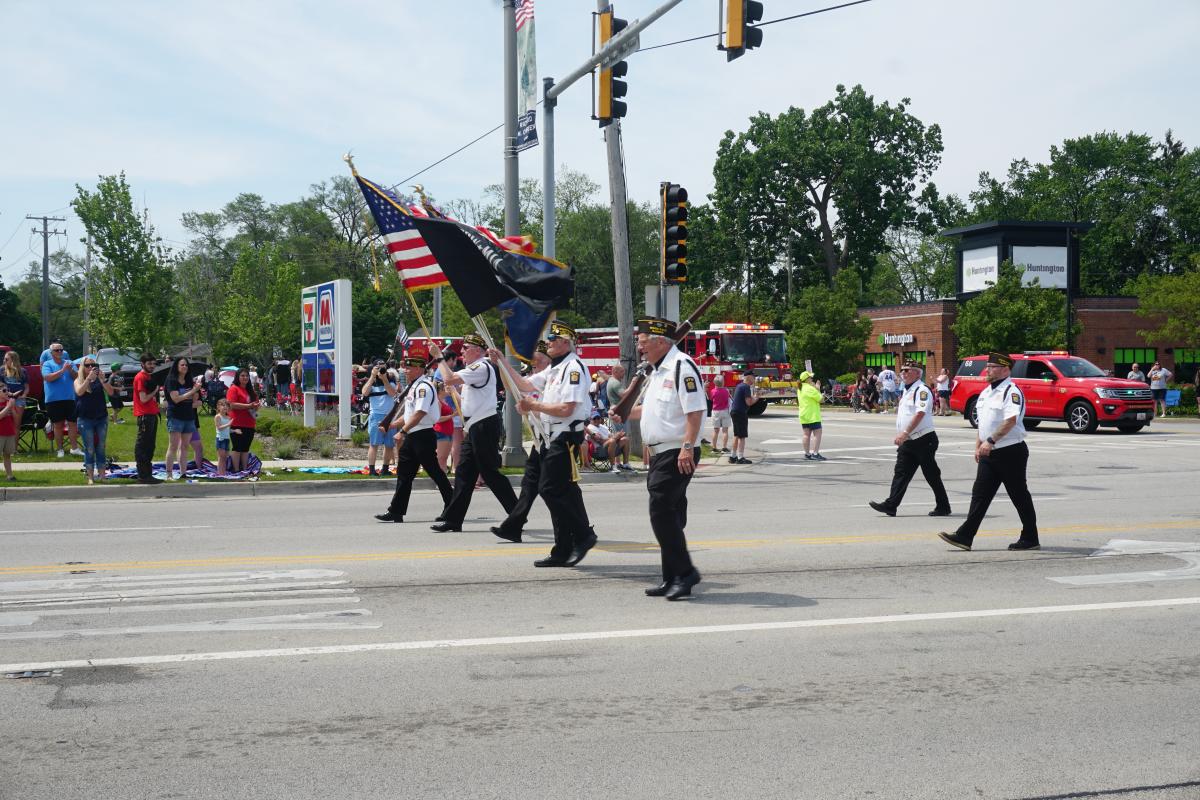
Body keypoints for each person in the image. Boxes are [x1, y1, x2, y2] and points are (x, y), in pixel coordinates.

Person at [610, 316, 705, 600]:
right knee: (670, 515)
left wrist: (687, 447)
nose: (639, 348)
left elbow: (695, 411)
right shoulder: (657, 371)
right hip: (660, 453)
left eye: (643, 343)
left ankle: (685, 573)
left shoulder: (682, 367)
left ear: (661, 342)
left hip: (676, 451)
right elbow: (653, 410)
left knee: (661, 512)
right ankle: (671, 577)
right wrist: (625, 413)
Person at [500, 320, 599, 567]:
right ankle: (562, 550)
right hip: (549, 437)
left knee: (550, 489)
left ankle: (583, 535)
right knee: (562, 491)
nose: (548, 344)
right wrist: (502, 361)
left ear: (566, 342)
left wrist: (534, 405)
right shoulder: (555, 368)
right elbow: (524, 384)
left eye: (553, 340)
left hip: (565, 437)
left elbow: (567, 409)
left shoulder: (573, 368)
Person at [938, 352, 1039, 552]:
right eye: (988, 366)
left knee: (1019, 495)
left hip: (1010, 451)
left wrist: (991, 441)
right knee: (980, 495)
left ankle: (1030, 537)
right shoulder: (986, 392)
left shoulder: (1011, 391)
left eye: (992, 367)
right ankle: (965, 536)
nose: (987, 370)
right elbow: (984, 423)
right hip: (989, 452)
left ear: (1005, 369)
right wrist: (979, 445)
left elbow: (1010, 420)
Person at [427, 334, 517, 532]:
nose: (462, 351)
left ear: (478, 350)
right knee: (464, 473)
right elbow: (466, 403)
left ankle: (517, 515)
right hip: (474, 426)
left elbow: (449, 377)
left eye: (466, 348)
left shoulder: (481, 367)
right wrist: (453, 392)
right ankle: (453, 520)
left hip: (484, 426)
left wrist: (439, 358)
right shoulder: (473, 369)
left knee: (490, 473)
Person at [489, 341, 554, 543]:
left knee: (557, 489)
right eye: (533, 362)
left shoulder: (554, 379)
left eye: (538, 361)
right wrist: (501, 365)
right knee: (529, 484)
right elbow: (511, 384)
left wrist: (532, 408)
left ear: (549, 360)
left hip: (554, 439)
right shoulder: (537, 379)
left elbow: (556, 410)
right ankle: (513, 527)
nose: (534, 365)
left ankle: (580, 529)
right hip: (540, 440)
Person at [375, 357, 454, 523]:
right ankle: (396, 511)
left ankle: (453, 506)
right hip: (413, 435)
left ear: (418, 369)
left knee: (434, 472)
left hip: (423, 435)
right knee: (404, 474)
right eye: (405, 367)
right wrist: (392, 425)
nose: (405, 370)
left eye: (409, 368)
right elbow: (409, 413)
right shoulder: (414, 386)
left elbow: (420, 413)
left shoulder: (424, 387)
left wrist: (402, 431)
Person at [869, 361, 950, 518]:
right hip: (909, 441)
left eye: (908, 370)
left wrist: (905, 433)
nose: (903, 373)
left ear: (918, 373)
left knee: (931, 474)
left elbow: (920, 413)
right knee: (901, 473)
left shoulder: (922, 390)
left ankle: (943, 506)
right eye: (902, 370)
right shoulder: (907, 390)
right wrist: (905, 435)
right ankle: (891, 505)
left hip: (923, 439)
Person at [73, 356, 116, 485]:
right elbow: (79, 392)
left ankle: (102, 476)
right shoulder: (78, 380)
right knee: (89, 448)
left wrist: (103, 380)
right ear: (83, 367)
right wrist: (88, 379)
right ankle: (90, 477)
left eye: (94, 365)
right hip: (85, 419)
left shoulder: (99, 379)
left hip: (101, 417)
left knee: (101, 447)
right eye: (88, 365)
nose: (91, 367)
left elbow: (111, 392)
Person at [163, 357, 202, 481]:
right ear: (177, 366)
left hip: (189, 417)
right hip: (175, 416)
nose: (185, 367)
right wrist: (192, 391)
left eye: (186, 365)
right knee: (173, 446)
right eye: (182, 365)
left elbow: (195, 400)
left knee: (185, 446)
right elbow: (176, 399)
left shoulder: (189, 381)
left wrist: (196, 390)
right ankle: (169, 474)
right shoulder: (171, 380)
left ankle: (183, 473)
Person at [41, 343, 82, 457]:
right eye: (56, 350)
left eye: (61, 350)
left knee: (73, 424)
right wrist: (63, 370)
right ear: (51, 353)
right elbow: (48, 378)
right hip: (53, 400)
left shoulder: (70, 363)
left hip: (70, 398)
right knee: (58, 425)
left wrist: (70, 370)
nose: (59, 352)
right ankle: (60, 450)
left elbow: (77, 377)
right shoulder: (47, 364)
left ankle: (74, 448)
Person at [362, 359, 398, 476]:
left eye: (383, 368)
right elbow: (365, 392)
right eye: (379, 368)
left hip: (390, 416)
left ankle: (385, 469)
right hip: (376, 415)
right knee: (374, 444)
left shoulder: (391, 380)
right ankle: (372, 470)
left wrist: (385, 379)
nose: (382, 370)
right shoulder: (371, 382)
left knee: (389, 445)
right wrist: (372, 376)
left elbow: (392, 393)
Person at [132, 353, 162, 484]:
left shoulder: (149, 377)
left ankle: (148, 474)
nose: (152, 366)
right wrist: (155, 391)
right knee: (143, 446)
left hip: (152, 414)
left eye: (154, 364)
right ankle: (143, 475)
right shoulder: (141, 377)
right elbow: (143, 399)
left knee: (150, 446)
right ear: (142, 364)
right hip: (145, 415)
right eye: (149, 363)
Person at [226, 368, 261, 474]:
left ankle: (245, 470)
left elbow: (256, 405)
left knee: (245, 448)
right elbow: (231, 405)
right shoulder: (233, 389)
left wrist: (256, 406)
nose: (245, 378)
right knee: (237, 448)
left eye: (246, 376)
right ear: (237, 377)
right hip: (236, 423)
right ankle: (236, 470)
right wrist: (248, 406)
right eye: (242, 375)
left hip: (249, 423)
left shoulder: (251, 391)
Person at [728, 369, 761, 464]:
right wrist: (756, 397)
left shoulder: (739, 386)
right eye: (753, 377)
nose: (754, 379)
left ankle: (733, 456)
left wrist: (753, 396)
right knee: (742, 436)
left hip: (734, 411)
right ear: (749, 377)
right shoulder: (746, 387)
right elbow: (749, 402)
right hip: (740, 413)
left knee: (736, 435)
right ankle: (740, 457)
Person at [604, 365, 633, 470]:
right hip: (619, 412)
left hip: (616, 411)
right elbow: (624, 394)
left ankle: (618, 462)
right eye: (621, 372)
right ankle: (623, 463)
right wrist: (633, 384)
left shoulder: (611, 381)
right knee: (622, 436)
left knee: (618, 436)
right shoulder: (615, 383)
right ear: (615, 371)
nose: (623, 374)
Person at [795, 371, 825, 461]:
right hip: (813, 415)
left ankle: (807, 454)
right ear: (807, 379)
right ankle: (815, 453)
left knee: (806, 435)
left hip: (803, 414)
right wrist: (818, 388)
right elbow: (821, 400)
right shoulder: (810, 388)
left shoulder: (800, 388)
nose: (812, 379)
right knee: (817, 433)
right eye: (810, 378)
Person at [2, 351, 28, 435]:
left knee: (16, 425)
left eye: (6, 359)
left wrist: (24, 395)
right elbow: (1, 386)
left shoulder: (22, 371)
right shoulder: (2, 370)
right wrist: (8, 394)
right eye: (4, 359)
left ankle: (14, 444)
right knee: (4, 424)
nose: (4, 361)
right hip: (5, 399)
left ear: (13, 360)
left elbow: (26, 387)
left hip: (19, 400)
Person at [708, 377, 732, 453]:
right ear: (723, 383)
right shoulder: (726, 391)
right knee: (725, 431)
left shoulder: (713, 391)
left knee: (716, 430)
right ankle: (724, 448)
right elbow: (729, 398)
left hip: (715, 411)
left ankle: (714, 448)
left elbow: (711, 399)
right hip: (725, 411)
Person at [213, 398, 233, 477]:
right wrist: (228, 424)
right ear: (218, 407)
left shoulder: (228, 417)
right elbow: (219, 428)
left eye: (227, 406)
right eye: (223, 405)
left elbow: (228, 429)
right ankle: (220, 473)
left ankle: (223, 473)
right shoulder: (218, 417)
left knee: (225, 457)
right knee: (221, 457)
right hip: (220, 439)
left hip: (227, 439)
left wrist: (235, 431)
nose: (225, 407)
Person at [0, 386, 16, 480]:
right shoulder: (7, 405)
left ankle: (10, 476)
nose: (7, 392)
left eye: (8, 390)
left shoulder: (9, 403)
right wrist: (8, 407)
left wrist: (12, 408)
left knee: (7, 455)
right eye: (4, 390)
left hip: (9, 433)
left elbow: (16, 419)